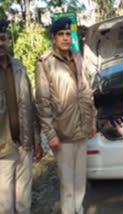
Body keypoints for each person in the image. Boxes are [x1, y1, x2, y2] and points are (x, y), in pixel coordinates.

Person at [35, 17, 96, 214]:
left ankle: (78, 210)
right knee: (67, 187)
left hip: (82, 130)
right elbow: (42, 102)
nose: (65, 38)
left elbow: (87, 90)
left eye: (68, 34)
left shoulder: (78, 57)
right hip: (63, 134)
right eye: (61, 34)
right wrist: (50, 134)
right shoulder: (45, 63)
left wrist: (92, 119)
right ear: (54, 38)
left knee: (80, 183)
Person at [0, 19, 43, 214]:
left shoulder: (19, 67)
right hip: (3, 150)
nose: (0, 43)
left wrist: (36, 140)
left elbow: (30, 105)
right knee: (5, 205)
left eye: (3, 38)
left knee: (24, 202)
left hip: (24, 144)